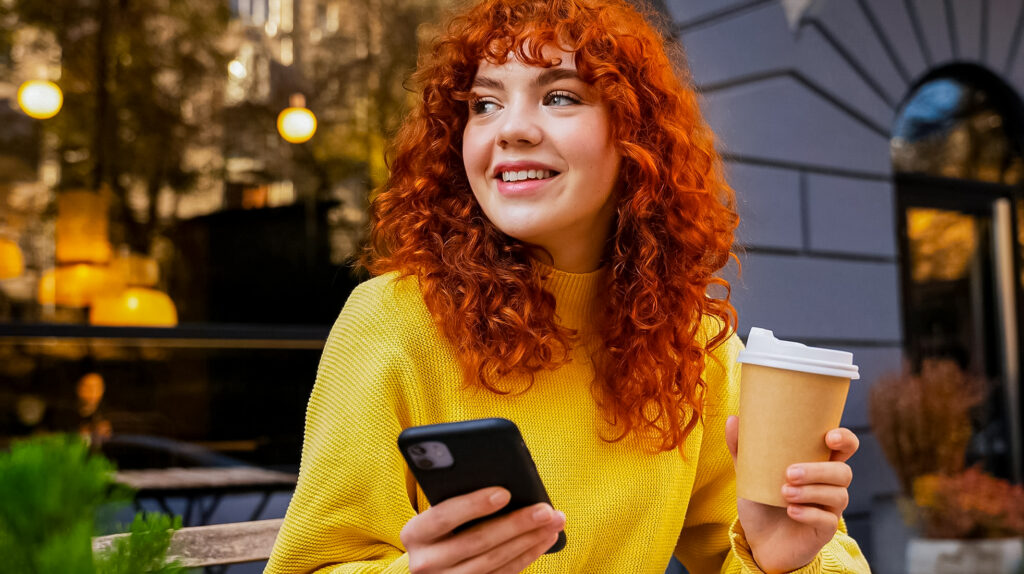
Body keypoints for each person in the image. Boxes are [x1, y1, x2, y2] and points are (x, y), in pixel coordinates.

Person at [265, 0, 870, 572]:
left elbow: (798, 553)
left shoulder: (694, 344)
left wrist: (781, 560)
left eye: (558, 96)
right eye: (484, 105)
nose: (511, 130)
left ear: (636, 137)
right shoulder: (394, 320)